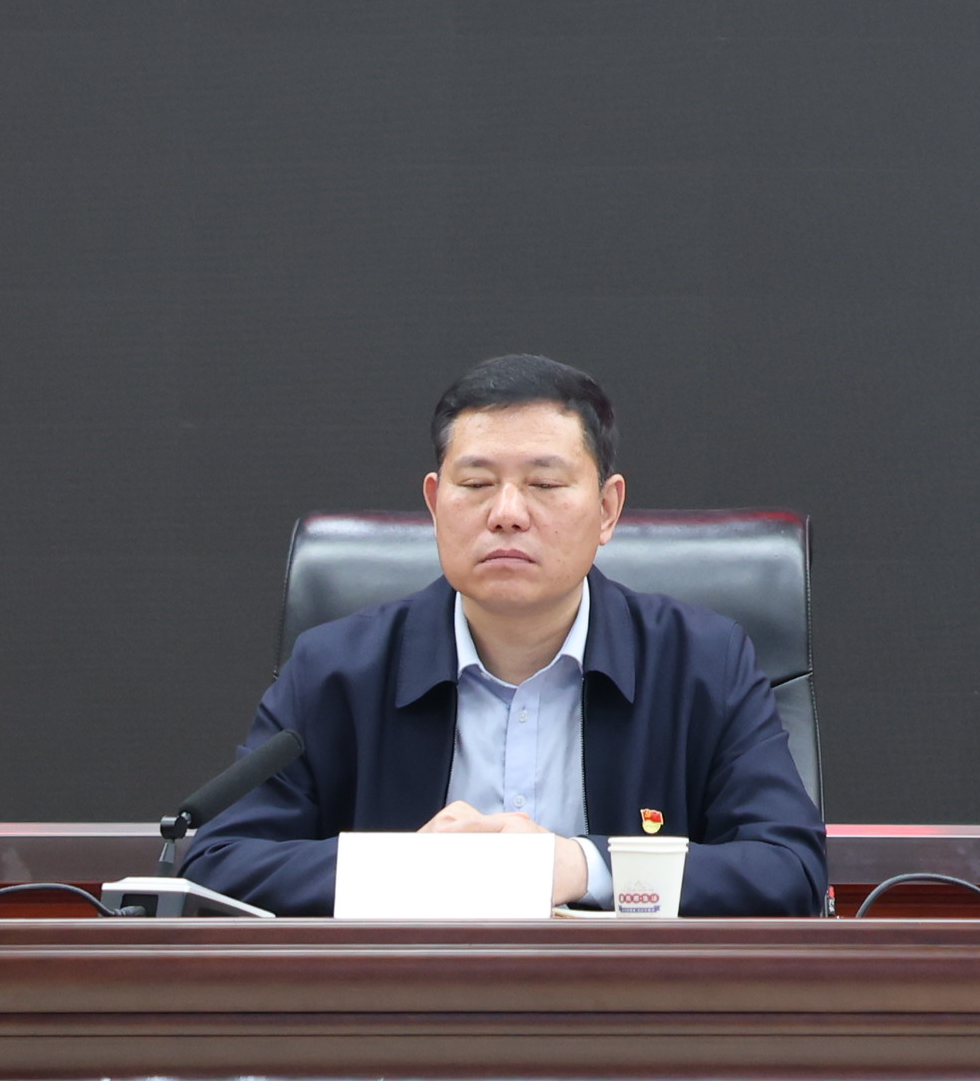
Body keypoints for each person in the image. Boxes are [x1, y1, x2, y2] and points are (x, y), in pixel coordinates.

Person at [183, 354, 829, 918]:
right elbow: (216, 865)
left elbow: (790, 870)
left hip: (622, 1008)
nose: (508, 514)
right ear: (435, 503)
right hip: (399, 1006)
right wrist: (406, 870)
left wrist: (581, 867)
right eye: (476, 484)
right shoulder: (336, 669)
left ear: (607, 509)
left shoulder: (702, 664)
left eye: (544, 485)